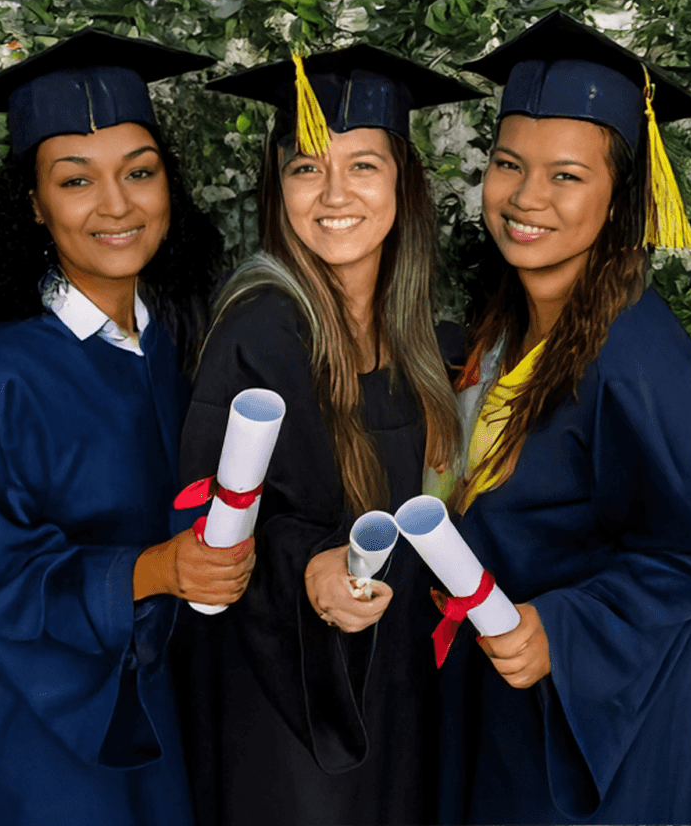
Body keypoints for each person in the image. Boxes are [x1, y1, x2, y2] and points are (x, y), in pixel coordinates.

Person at [0, 29, 256, 826]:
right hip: (44, 738)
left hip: (162, 701)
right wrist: (154, 572)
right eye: (76, 181)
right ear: (35, 206)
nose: (117, 205)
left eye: (140, 172)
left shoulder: (180, 336)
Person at [436, 12, 691, 825]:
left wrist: (560, 629)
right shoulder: (510, 317)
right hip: (505, 709)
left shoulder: (635, 360)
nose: (526, 197)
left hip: (592, 736)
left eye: (566, 176)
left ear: (621, 197)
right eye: (508, 165)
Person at [174, 46, 481, 826]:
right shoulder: (263, 328)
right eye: (307, 168)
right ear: (277, 188)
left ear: (405, 183)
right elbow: (210, 519)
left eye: (363, 166)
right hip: (293, 712)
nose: (334, 194)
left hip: (400, 691)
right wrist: (305, 567)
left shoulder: (427, 342)